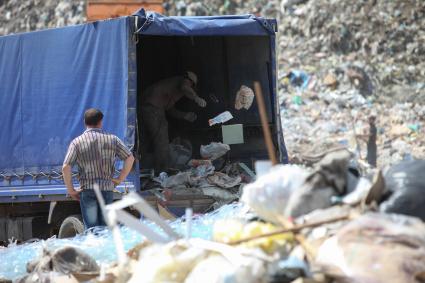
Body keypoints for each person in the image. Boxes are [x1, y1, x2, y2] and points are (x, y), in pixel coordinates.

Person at [62, 108, 135, 229]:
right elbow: (130, 158)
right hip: (106, 189)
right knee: (106, 230)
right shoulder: (113, 139)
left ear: (84, 122)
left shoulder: (77, 142)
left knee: (92, 230)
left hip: (88, 190)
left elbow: (66, 167)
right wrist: (120, 179)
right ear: (101, 121)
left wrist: (71, 190)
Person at [140, 71, 207, 173]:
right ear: (190, 82)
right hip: (153, 108)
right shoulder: (183, 82)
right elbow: (185, 88)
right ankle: (162, 171)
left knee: (143, 139)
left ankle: (140, 167)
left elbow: (170, 110)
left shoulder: (170, 89)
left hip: (145, 107)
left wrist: (185, 115)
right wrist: (196, 98)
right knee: (161, 139)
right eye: (192, 86)